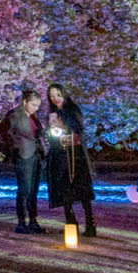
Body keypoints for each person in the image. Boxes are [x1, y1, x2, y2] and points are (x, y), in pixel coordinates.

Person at [45, 82, 97, 237]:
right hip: (59, 155)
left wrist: (64, 128)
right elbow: (53, 136)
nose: (55, 99)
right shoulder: (52, 113)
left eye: (58, 95)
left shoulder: (72, 110)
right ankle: (70, 220)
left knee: (81, 188)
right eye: (52, 96)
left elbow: (78, 132)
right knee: (64, 188)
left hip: (76, 156)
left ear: (64, 94)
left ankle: (90, 222)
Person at [0, 87, 47, 234]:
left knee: (33, 190)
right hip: (23, 154)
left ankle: (33, 220)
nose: (36, 108)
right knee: (24, 189)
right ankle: (21, 221)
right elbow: (3, 131)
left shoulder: (33, 118)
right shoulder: (14, 115)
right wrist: (14, 146)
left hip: (35, 155)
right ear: (25, 102)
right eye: (33, 105)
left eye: (38, 105)